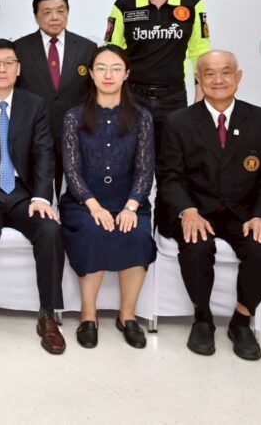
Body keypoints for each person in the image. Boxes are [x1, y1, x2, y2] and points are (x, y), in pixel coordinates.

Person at [157, 50, 261, 361]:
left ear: (238, 77)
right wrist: (187, 211)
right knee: (196, 247)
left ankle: (241, 320)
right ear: (198, 80)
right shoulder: (178, 122)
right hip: (196, 210)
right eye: (209, 74)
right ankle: (202, 318)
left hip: (245, 213)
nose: (218, 80)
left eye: (226, 72)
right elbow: (169, 174)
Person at [0, 38, 65, 357]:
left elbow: (44, 152)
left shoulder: (34, 104)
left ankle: (48, 314)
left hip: (23, 193)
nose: (2, 69)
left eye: (8, 63)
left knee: (50, 231)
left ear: (19, 69)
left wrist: (42, 197)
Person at [59, 45, 156, 350]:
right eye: (101, 68)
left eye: (116, 68)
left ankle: (127, 316)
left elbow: (145, 169)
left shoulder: (141, 117)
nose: (108, 75)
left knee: (137, 234)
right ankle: (89, 315)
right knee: (93, 231)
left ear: (127, 74)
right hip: (84, 202)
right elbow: (72, 170)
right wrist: (93, 205)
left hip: (129, 200)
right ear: (91, 73)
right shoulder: (74, 116)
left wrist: (131, 206)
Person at [106, 0, 210, 156]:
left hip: (174, 98)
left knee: (173, 161)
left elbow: (200, 53)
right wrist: (111, 100)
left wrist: (200, 101)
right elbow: (111, 55)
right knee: (132, 161)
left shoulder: (192, 3)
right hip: (133, 98)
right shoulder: (124, 5)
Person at [15, 0, 96, 197]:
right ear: (36, 16)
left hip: (75, 135)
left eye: (61, 11)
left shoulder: (87, 48)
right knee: (36, 197)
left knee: (74, 196)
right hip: (33, 135)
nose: (55, 17)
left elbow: (93, 94)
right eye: (47, 12)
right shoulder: (19, 49)